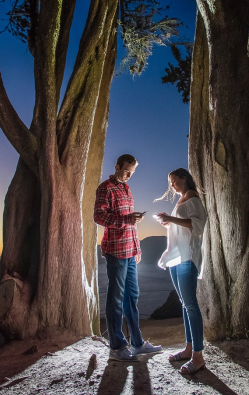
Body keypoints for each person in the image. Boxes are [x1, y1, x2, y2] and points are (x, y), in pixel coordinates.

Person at [94, 154, 162, 361]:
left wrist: (138, 248)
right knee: (115, 299)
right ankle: (116, 348)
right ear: (116, 167)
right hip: (115, 251)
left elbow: (128, 223)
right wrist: (126, 219)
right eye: (126, 170)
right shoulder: (105, 187)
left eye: (132, 172)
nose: (129, 175)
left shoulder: (126, 188)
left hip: (131, 251)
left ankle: (137, 344)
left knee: (131, 297)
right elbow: (99, 216)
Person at [155, 168, 207, 374]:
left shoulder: (193, 198)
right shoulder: (181, 200)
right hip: (176, 256)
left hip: (187, 257)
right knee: (185, 305)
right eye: (171, 182)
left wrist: (172, 218)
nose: (172, 185)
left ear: (185, 179)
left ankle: (198, 356)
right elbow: (180, 228)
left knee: (191, 305)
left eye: (175, 180)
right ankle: (188, 349)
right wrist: (168, 222)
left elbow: (198, 225)